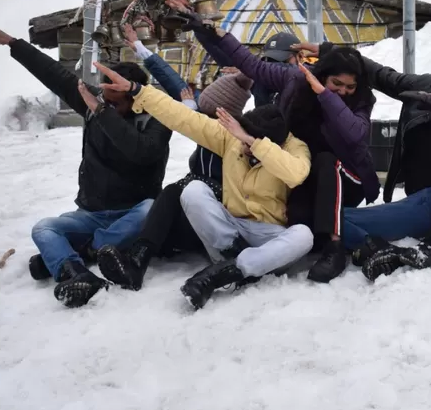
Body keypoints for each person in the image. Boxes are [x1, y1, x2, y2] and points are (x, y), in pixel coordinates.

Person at [163, 0, 376, 284]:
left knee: (328, 163)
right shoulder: (295, 80)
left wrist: (325, 95)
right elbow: (248, 63)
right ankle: (232, 246)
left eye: (349, 87)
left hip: (344, 175)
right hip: (300, 169)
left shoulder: (361, 99)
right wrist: (204, 27)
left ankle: (336, 247)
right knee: (297, 222)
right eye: (335, 84)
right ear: (324, 75)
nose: (343, 91)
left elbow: (354, 134)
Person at [0, 23, 172, 308]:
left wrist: (102, 111)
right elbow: (55, 75)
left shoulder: (157, 118)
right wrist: (12, 43)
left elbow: (140, 152)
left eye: (115, 103)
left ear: (137, 100)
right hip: (92, 212)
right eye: (104, 98)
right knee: (44, 228)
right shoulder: (96, 101)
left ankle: (88, 249)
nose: (105, 104)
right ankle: (75, 272)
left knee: (153, 209)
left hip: (132, 212)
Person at [95, 61, 313, 310]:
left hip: (267, 235)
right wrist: (137, 90)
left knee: (303, 236)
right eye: (242, 137)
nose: (240, 144)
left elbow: (296, 174)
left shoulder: (294, 146)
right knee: (193, 190)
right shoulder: (230, 137)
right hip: (228, 231)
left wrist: (255, 144)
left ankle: (230, 270)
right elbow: (183, 118)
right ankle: (230, 260)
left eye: (246, 141)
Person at [306, 47, 431, 281]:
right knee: (334, 220)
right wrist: (331, 51)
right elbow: (381, 74)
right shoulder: (425, 85)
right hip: (425, 202)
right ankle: (378, 250)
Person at [97, 53, 255, 290]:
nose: (200, 115)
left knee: (172, 194)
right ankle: (120, 258)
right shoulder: (211, 130)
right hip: (195, 217)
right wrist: (143, 52)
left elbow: (232, 188)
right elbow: (176, 97)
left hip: (221, 222)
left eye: (206, 112)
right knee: (159, 216)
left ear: (222, 114)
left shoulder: (238, 141)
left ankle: (134, 261)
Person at [251, 31, 301, 108]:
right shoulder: (259, 79)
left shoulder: (307, 79)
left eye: (284, 60)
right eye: (271, 60)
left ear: (300, 56)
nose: (275, 69)